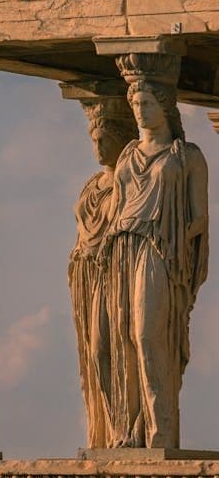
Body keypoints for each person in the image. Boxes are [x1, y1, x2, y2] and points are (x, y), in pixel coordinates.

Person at [101, 57, 208, 448]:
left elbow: (199, 217)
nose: (140, 111)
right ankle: (132, 430)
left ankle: (161, 428)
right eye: (135, 105)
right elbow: (118, 202)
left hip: (161, 250)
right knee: (125, 337)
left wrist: (172, 235)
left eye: (146, 103)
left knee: (149, 335)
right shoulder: (128, 154)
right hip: (124, 247)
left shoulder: (186, 156)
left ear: (165, 105)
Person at [68, 99, 136, 448]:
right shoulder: (93, 184)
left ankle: (128, 429)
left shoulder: (130, 182)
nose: (97, 146)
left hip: (119, 273)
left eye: (103, 138)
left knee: (115, 347)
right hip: (89, 275)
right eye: (93, 138)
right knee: (96, 353)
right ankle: (111, 430)